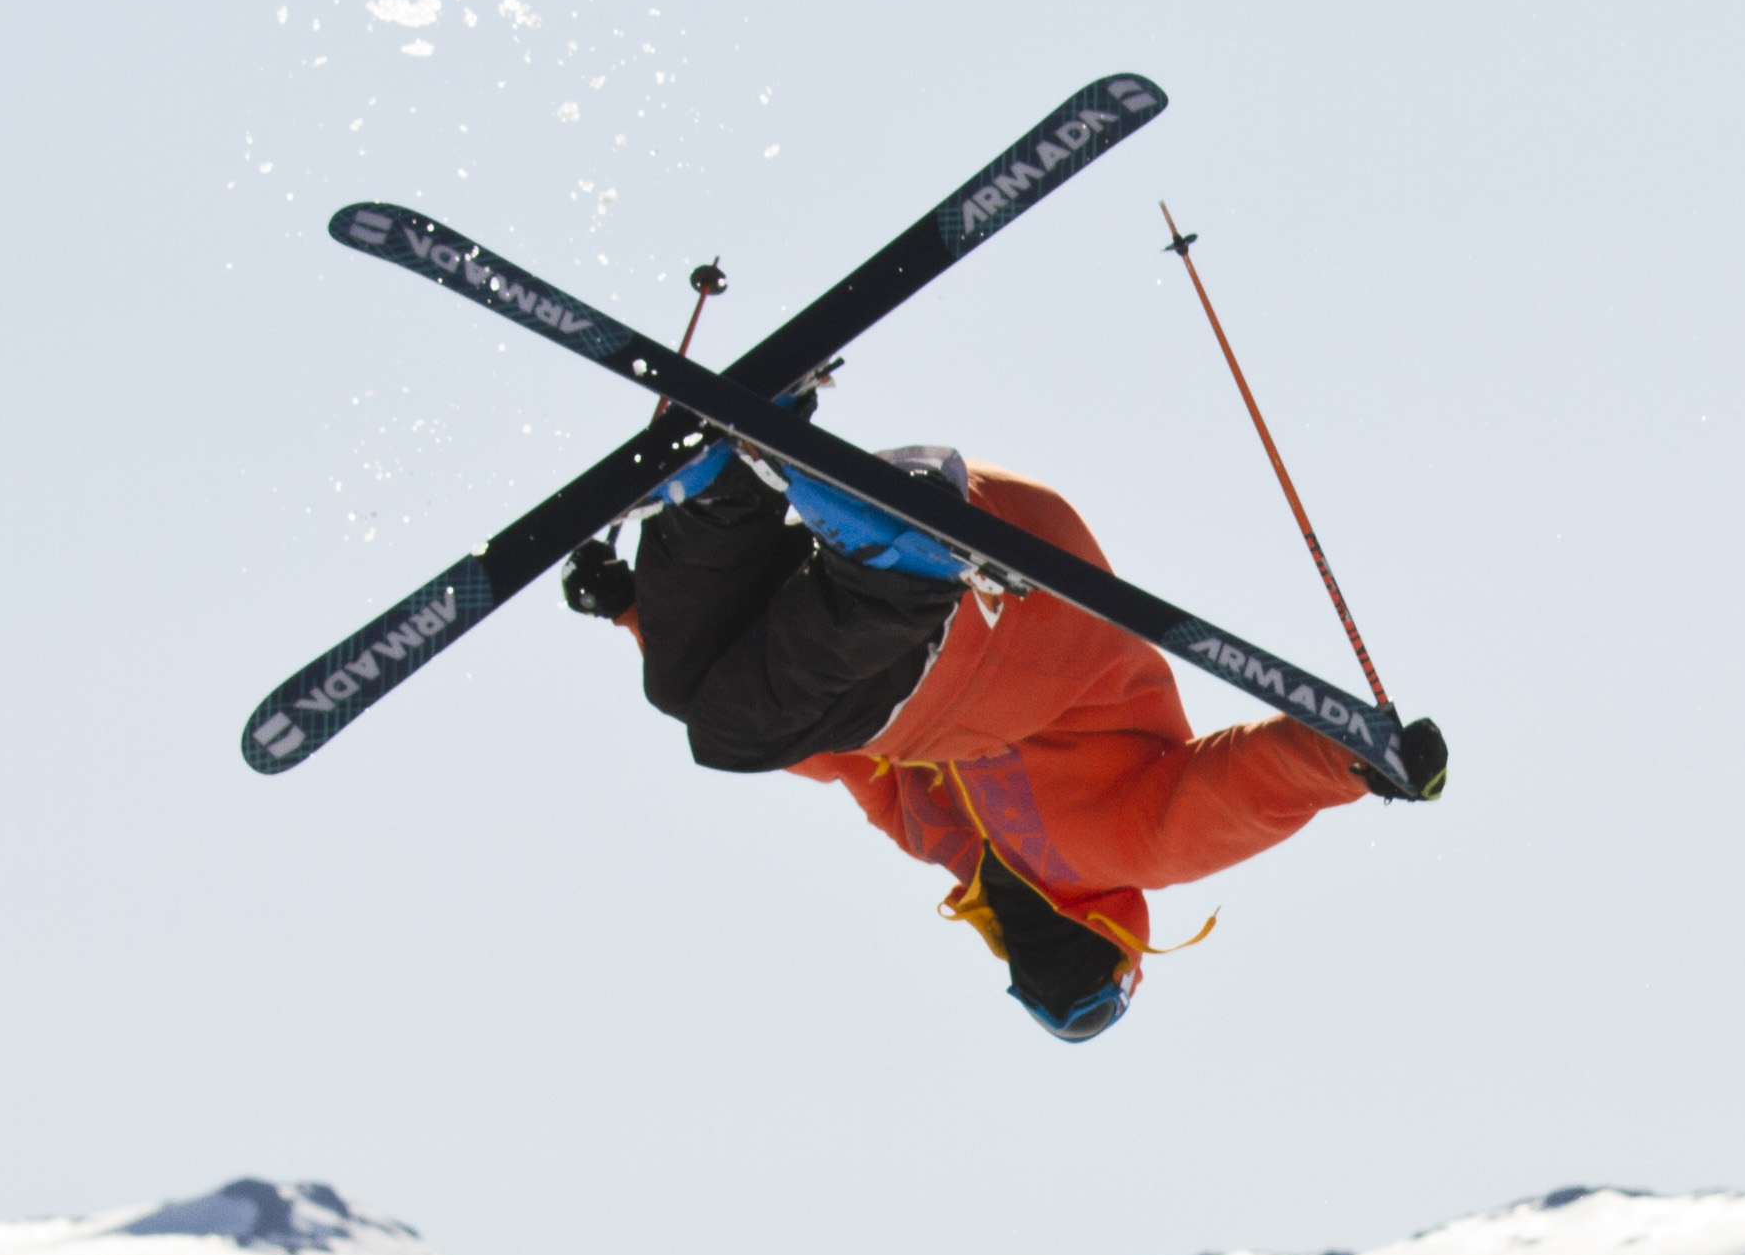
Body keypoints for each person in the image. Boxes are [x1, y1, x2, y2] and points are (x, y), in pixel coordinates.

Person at [582, 441, 1421, 1042]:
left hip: (972, 558)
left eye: (1053, 1013)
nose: (1067, 999)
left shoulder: (941, 842)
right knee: (737, 725)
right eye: (1092, 1005)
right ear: (1120, 952)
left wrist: (635, 612)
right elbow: (1245, 785)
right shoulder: (1126, 848)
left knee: (698, 699)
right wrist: (1354, 757)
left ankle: (721, 500)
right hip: (1008, 605)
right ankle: (891, 556)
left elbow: (825, 754)